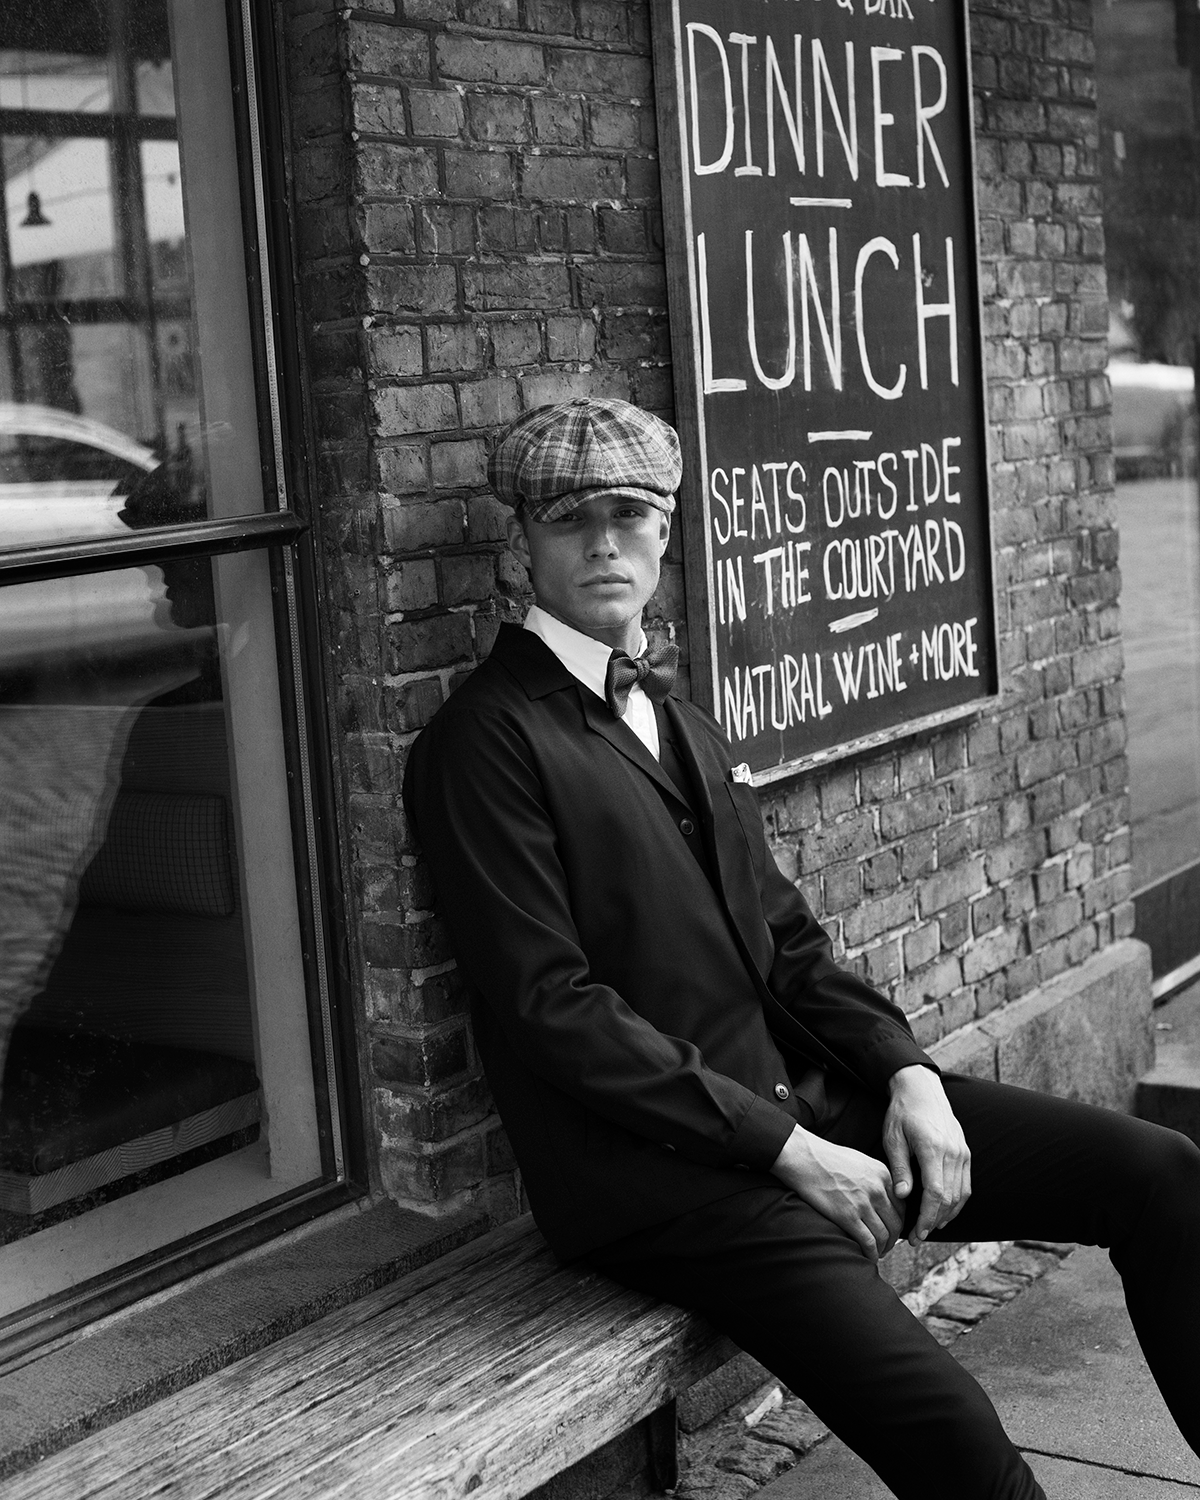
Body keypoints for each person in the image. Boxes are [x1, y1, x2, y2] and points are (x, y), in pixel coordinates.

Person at [402, 397, 1200, 1500]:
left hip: (804, 1104)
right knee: (953, 1429)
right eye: (569, 518)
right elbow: (552, 1007)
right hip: (670, 1179)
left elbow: (783, 942)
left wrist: (908, 1073)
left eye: (628, 515)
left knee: (1158, 1172)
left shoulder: (679, 720)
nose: (603, 544)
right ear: (520, 543)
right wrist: (791, 1150)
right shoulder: (482, 742)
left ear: (667, 528)